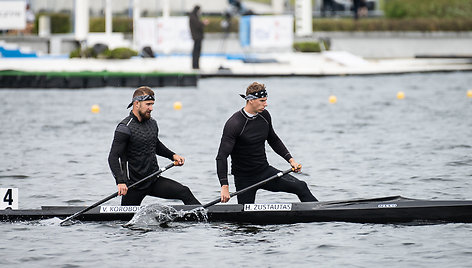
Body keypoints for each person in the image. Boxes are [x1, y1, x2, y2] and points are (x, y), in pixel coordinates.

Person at [216, 82, 319, 204]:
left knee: (301, 186)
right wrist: (224, 187)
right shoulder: (234, 123)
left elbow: (273, 140)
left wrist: (291, 160)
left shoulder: (264, 116)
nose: (266, 104)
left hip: (265, 172)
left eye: (266, 100)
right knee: (246, 220)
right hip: (244, 179)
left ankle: (321, 214)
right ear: (251, 100)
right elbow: (221, 157)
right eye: (262, 100)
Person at [108, 86, 201, 206]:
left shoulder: (152, 123)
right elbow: (113, 157)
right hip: (134, 185)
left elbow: (155, 145)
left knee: (184, 191)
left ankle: (206, 217)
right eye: (148, 104)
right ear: (136, 104)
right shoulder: (124, 128)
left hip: (153, 180)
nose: (151, 108)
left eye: (152, 104)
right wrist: (120, 182)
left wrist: (172, 156)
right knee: (126, 221)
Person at [188, 5, 208, 69]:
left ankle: (196, 65)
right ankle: (195, 65)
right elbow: (197, 25)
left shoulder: (194, 16)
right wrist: (203, 23)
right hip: (197, 37)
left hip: (197, 37)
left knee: (197, 52)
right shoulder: (193, 17)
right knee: (196, 52)